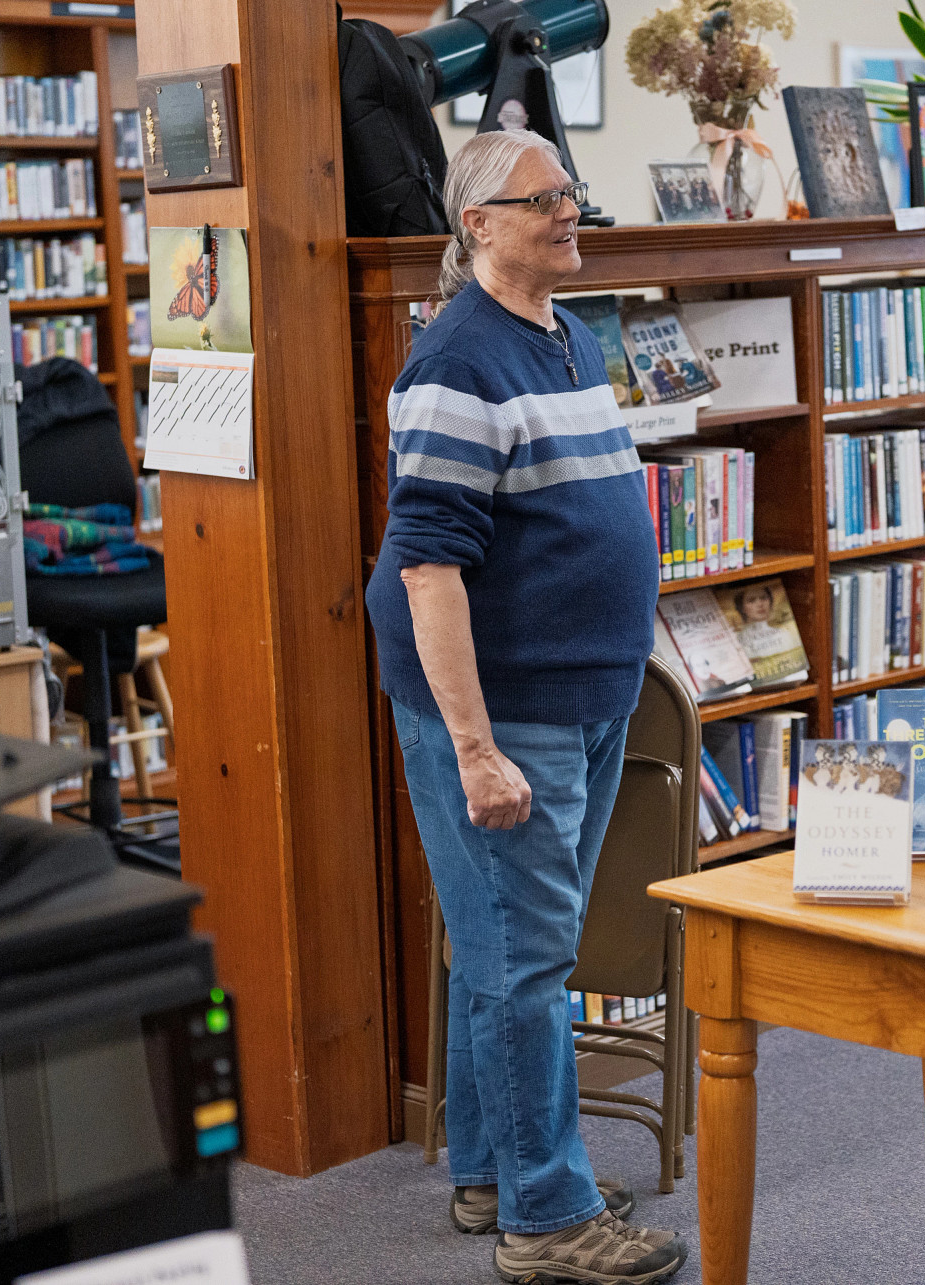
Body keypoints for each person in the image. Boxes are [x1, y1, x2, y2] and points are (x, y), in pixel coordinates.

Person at [364, 129, 684, 1285]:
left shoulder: (565, 335)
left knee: (505, 947)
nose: (567, 210)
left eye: (570, 192)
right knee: (527, 961)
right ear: (476, 226)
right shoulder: (454, 363)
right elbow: (428, 568)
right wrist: (474, 749)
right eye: (539, 198)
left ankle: (494, 1170)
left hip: (583, 694)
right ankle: (545, 1220)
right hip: (506, 713)